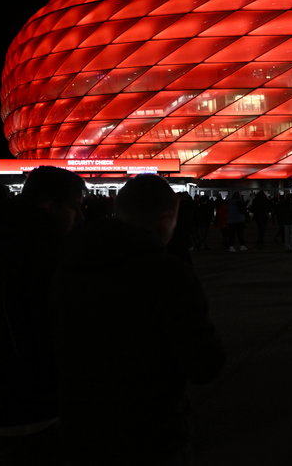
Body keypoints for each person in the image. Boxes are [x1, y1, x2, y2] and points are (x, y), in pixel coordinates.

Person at [52, 174, 224, 466]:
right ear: (168, 217)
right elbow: (204, 363)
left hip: (77, 422)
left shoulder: (66, 260)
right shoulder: (168, 273)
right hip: (151, 428)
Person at [0, 166, 85, 465]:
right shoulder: (46, 253)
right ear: (50, 206)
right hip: (34, 407)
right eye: (75, 206)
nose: (79, 217)